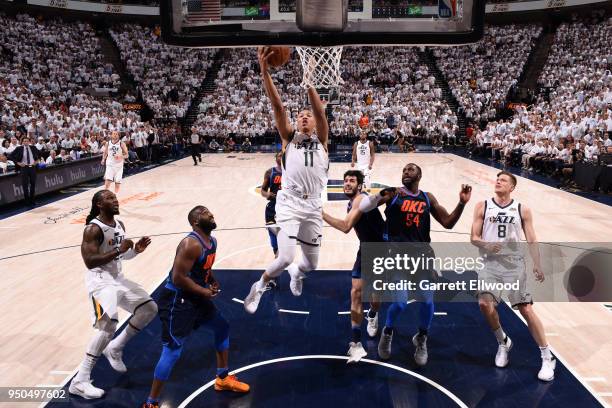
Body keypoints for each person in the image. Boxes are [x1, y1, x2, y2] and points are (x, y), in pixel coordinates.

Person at [244, 47, 329, 314]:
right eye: (300, 115)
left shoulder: (323, 139)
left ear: (314, 123)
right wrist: (264, 72)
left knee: (311, 265)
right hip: (290, 203)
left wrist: (310, 81)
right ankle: (259, 285)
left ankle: (297, 274)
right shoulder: (289, 139)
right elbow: (278, 106)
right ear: (295, 122)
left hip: (314, 206)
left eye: (308, 115)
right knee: (286, 256)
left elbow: (321, 112)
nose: (304, 116)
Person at [359, 163, 471, 365]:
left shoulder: (427, 197)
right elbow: (364, 207)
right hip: (397, 258)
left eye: (410, 170)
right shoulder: (393, 194)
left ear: (419, 175)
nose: (406, 172)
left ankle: (421, 337)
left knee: (428, 302)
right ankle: (388, 331)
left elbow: (448, 222)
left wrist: (461, 203)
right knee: (400, 302)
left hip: (423, 258)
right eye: (403, 170)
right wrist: (377, 195)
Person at [143, 206, 249, 408]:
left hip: (195, 296)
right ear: (195, 222)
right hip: (178, 300)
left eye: (210, 211)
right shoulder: (190, 244)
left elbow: (203, 269)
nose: (211, 213)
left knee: (222, 327)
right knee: (173, 350)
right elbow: (178, 277)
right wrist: (204, 292)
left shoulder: (212, 241)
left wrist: (212, 280)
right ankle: (152, 403)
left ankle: (222, 378)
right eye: (204, 213)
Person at [69, 190, 157, 399]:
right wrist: (118, 251)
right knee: (107, 325)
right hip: (99, 282)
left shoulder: (120, 225)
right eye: (109, 199)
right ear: (99, 204)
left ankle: (115, 348)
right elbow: (90, 261)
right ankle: (80, 381)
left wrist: (135, 250)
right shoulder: (92, 228)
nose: (115, 200)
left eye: (115, 198)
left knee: (148, 308)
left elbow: (123, 255)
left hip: (117, 278)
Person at [470, 171, 556, 381]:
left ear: (512, 187)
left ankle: (547, 356)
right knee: (484, 303)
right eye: (497, 179)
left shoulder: (522, 209)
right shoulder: (482, 205)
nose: (498, 181)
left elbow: (532, 239)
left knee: (525, 308)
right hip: (489, 262)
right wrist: (486, 244)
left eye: (504, 180)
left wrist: (537, 264)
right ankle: (503, 342)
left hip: (514, 264)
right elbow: (473, 237)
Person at [322, 170, 382, 363]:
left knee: (375, 297)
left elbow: (346, 227)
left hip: (382, 249)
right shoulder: (352, 202)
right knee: (356, 292)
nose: (347, 183)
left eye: (352, 181)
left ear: (360, 185)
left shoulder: (360, 200)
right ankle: (356, 344)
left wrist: (321, 213)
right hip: (365, 249)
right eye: (345, 180)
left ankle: (373, 314)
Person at [260, 152, 283, 289]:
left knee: (283, 249)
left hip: (287, 210)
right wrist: (267, 194)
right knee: (277, 249)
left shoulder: (292, 171)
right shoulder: (270, 172)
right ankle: (273, 276)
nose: (280, 157)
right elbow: (262, 190)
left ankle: (272, 277)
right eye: (278, 156)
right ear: (276, 158)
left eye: (282, 155)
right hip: (272, 210)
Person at [9, 136, 41, 207]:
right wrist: (18, 163)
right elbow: (10, 156)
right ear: (22, 142)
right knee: (25, 185)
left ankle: (32, 201)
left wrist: (37, 161)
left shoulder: (33, 148)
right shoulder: (19, 148)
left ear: (29, 142)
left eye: (27, 141)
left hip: (32, 167)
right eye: (24, 141)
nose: (26, 142)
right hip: (24, 168)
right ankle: (27, 202)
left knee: (33, 184)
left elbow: (40, 154)